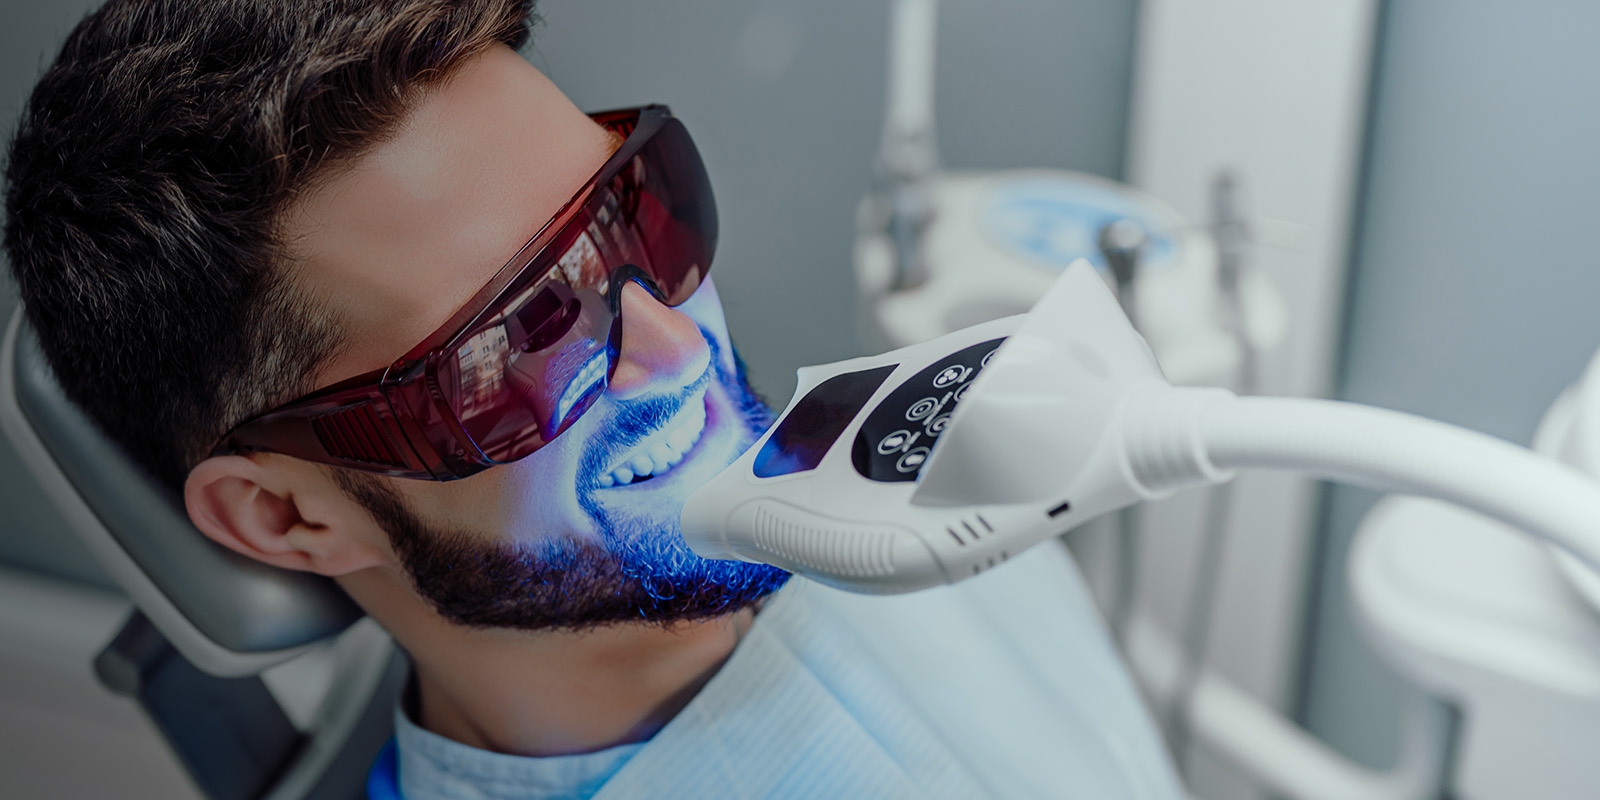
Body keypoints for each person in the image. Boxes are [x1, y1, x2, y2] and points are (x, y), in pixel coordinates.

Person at [5, 1, 1185, 797]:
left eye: (634, 210)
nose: (677, 350)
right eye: (519, 336)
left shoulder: (920, 457)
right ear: (288, 516)